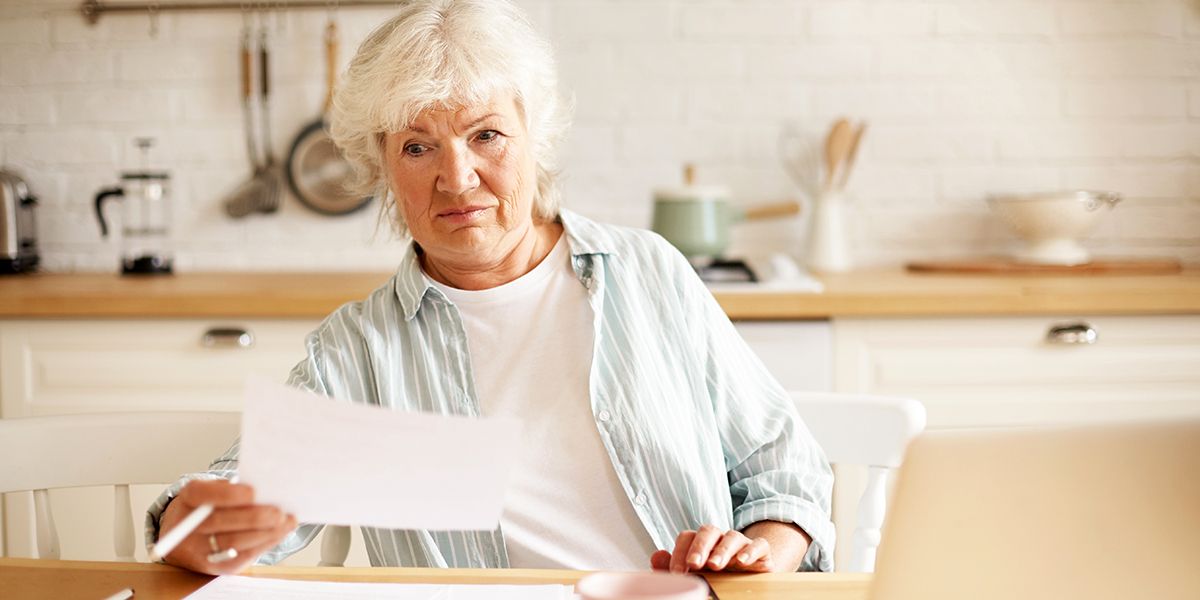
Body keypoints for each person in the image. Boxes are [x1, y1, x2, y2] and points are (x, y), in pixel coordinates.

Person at [146, 0, 834, 577]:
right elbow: (240, 498)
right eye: (418, 147)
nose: (457, 177)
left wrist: (756, 557)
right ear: (381, 165)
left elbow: (784, 473)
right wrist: (196, 523)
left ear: (535, 137)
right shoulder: (357, 349)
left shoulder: (645, 272)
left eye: (487, 135)